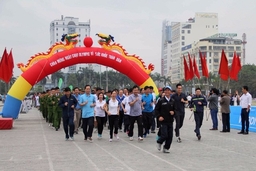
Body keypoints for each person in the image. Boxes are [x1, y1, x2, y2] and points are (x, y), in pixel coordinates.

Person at [155, 86, 175, 153]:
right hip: (163, 121)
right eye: (165, 90)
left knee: (170, 136)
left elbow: (175, 110)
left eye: (168, 90)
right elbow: (156, 110)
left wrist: (173, 112)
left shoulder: (172, 101)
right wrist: (159, 116)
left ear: (171, 92)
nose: (167, 92)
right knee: (164, 135)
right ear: (164, 92)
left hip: (170, 121)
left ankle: (166, 147)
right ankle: (159, 142)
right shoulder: (161, 100)